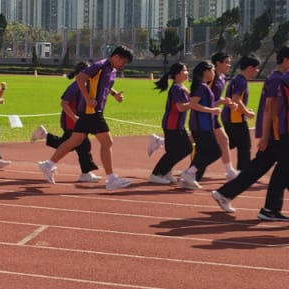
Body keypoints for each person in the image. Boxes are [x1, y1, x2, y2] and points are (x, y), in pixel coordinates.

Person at [37, 46, 134, 191]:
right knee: (107, 142)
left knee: (74, 141)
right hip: (92, 111)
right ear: (116, 57)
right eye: (123, 62)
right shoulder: (99, 66)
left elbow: (105, 85)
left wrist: (115, 95)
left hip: (91, 111)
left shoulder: (112, 70)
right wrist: (88, 98)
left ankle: (48, 164)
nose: (123, 65)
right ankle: (111, 179)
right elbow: (80, 78)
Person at [212, 45, 289, 220]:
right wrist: (266, 136)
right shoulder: (278, 79)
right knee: (282, 169)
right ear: (285, 60)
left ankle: (226, 193)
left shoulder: (275, 77)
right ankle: (270, 208)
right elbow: (269, 109)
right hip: (277, 133)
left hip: (276, 132)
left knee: (258, 167)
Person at [38, 62, 101, 182]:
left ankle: (85, 173)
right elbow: (63, 103)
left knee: (76, 145)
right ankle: (84, 173)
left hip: (79, 120)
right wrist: (74, 117)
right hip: (70, 121)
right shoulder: (75, 86)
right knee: (74, 145)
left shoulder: (85, 85)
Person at [179, 60, 223, 191]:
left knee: (201, 153)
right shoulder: (202, 87)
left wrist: (220, 104)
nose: (214, 73)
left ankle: (190, 179)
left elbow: (202, 103)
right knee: (216, 152)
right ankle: (189, 173)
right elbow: (193, 104)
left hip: (203, 125)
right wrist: (212, 110)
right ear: (206, 72)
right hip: (201, 126)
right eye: (212, 70)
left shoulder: (203, 86)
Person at [148, 63, 191, 184]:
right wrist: (193, 104)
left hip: (177, 124)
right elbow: (180, 107)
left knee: (178, 150)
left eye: (187, 70)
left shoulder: (182, 88)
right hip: (172, 124)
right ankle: (156, 174)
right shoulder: (176, 89)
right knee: (183, 149)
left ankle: (166, 171)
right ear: (177, 74)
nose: (187, 73)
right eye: (184, 70)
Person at [219, 54, 258, 180]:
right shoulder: (241, 81)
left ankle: (201, 155)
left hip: (231, 117)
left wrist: (245, 110)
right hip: (235, 119)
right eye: (256, 68)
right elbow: (236, 99)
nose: (257, 71)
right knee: (244, 146)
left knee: (228, 144)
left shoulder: (238, 79)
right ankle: (243, 173)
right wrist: (247, 112)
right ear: (249, 68)